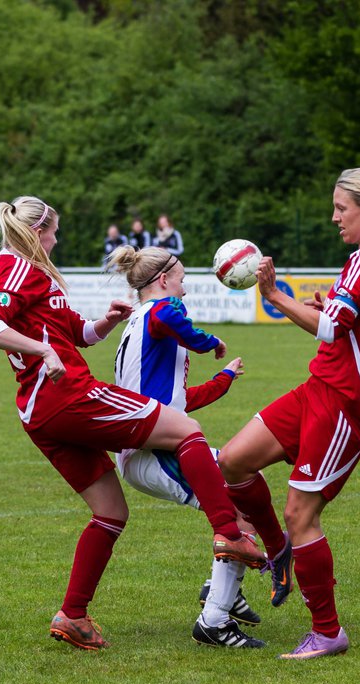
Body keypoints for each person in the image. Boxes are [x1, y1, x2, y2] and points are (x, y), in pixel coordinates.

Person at [0, 195, 264, 650]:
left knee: (111, 512)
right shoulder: (18, 267)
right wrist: (44, 351)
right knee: (185, 428)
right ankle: (229, 533)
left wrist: (105, 323)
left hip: (40, 414)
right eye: (53, 232)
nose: (56, 239)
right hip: (66, 396)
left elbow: (79, 335)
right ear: (36, 231)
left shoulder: (38, 277)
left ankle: (73, 615)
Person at [218, 167, 360, 660]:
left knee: (301, 513)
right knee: (231, 460)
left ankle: (327, 631)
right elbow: (348, 323)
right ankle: (277, 551)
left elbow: (333, 329)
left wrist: (276, 297)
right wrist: (325, 310)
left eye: (342, 208)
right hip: (319, 388)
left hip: (344, 406)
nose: (335, 217)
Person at [106, 243, 266, 648]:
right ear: (162, 281)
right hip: (154, 453)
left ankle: (222, 590)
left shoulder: (142, 323)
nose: (185, 290)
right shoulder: (161, 311)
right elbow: (174, 316)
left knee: (245, 481)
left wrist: (225, 378)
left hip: (152, 444)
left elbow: (179, 401)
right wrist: (211, 341)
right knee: (238, 515)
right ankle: (214, 619)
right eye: (182, 279)